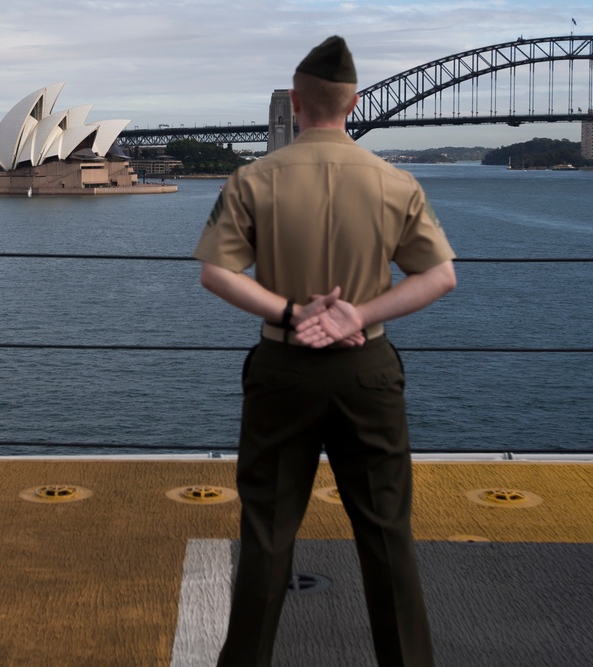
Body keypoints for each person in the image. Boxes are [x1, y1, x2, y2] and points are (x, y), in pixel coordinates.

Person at [194, 35, 456, 667]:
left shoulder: (253, 179)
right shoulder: (396, 182)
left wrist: (292, 312)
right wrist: (356, 314)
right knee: (387, 535)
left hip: (282, 371)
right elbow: (440, 276)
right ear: (355, 104)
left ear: (295, 101)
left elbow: (216, 273)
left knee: (267, 537)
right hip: (367, 370)